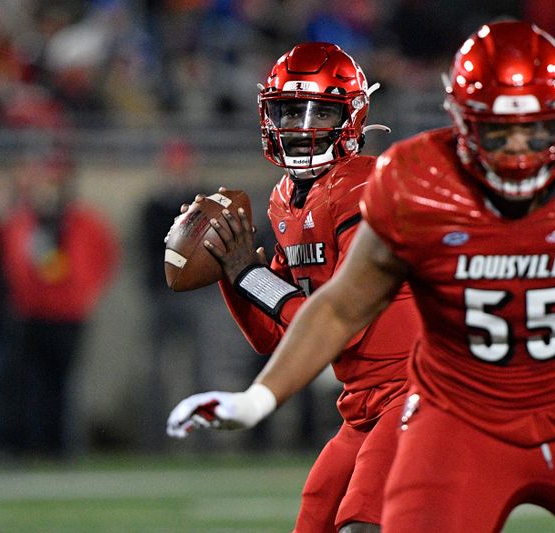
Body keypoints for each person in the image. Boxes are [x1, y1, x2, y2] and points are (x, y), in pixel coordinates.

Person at [167, 23, 555, 532]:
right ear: (460, 120)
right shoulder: (411, 184)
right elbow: (322, 317)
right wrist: (236, 282)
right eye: (494, 129)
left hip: (500, 399)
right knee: (320, 521)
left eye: (534, 128)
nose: (515, 150)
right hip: (426, 407)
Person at [167, 43, 421, 533]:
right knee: (314, 521)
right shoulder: (285, 198)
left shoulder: (366, 185)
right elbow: (276, 336)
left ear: (352, 116)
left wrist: (249, 275)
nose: (300, 126)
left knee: (360, 526)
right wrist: (229, 269)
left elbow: (340, 327)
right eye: (287, 111)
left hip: (416, 394)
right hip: (363, 404)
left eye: (320, 112)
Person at [0, 150, 119, 456]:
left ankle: (60, 446)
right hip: (31, 312)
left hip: (67, 313)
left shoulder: (83, 222)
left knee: (62, 385)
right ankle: (31, 445)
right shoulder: (24, 220)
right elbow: (12, 261)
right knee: (28, 384)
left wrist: (85, 293)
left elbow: (104, 258)